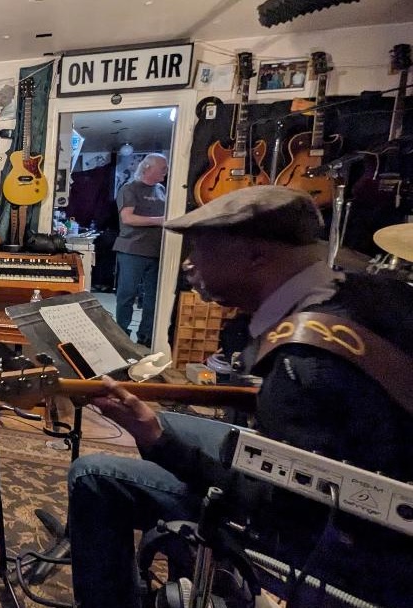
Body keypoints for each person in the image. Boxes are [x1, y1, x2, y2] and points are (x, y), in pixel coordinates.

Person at [66, 186, 413, 608]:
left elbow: (272, 509)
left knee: (93, 475)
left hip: (345, 545)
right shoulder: (363, 293)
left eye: (202, 249)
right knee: (172, 421)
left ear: (256, 256)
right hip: (349, 486)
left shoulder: (302, 365)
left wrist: (158, 441)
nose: (190, 264)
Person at [112, 152, 167, 348]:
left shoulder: (161, 189)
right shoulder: (130, 189)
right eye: (162, 167)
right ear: (147, 168)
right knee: (126, 294)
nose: (166, 171)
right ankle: (121, 336)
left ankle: (146, 336)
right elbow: (128, 218)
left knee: (154, 297)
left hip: (158, 252)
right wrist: (159, 221)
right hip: (132, 250)